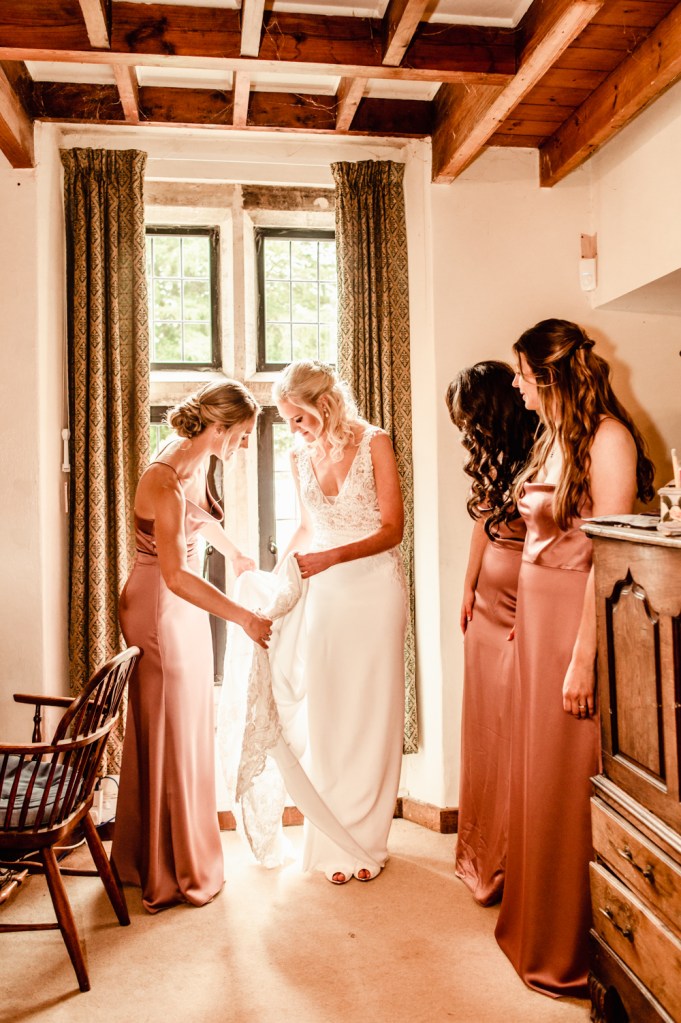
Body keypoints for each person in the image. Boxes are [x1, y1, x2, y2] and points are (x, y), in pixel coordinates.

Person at [494, 320, 655, 996]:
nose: (514, 386)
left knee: (565, 773)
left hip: (574, 622)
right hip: (535, 618)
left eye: (521, 375)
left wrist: (582, 658)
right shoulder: (554, 434)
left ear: (548, 374)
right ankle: (531, 922)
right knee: (533, 769)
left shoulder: (608, 439)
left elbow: (608, 560)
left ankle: (569, 942)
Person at [111, 380, 273, 913]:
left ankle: (150, 856)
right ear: (219, 427)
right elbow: (178, 576)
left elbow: (197, 519)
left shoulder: (196, 456)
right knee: (170, 730)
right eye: (244, 435)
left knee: (182, 726)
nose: (246, 445)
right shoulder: (163, 476)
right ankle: (169, 868)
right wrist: (244, 616)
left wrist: (237, 555)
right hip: (159, 606)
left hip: (177, 608)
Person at [273, 359, 407, 884]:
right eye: (288, 421)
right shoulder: (297, 456)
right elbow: (308, 529)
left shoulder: (375, 442)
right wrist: (280, 577)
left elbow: (393, 529)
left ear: (324, 405)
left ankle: (368, 841)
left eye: (299, 418)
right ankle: (333, 839)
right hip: (325, 597)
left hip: (374, 590)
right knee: (329, 713)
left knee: (372, 713)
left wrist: (332, 558)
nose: (294, 429)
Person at [446, 361, 536, 905]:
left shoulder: (541, 444)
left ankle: (511, 857)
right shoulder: (493, 456)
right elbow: (483, 520)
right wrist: (468, 585)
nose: (464, 430)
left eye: (470, 418)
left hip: (528, 600)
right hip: (487, 604)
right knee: (484, 725)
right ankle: (481, 854)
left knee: (515, 725)